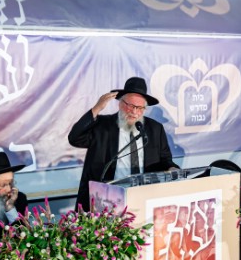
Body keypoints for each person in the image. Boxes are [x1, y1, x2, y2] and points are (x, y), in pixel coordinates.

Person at [68, 76, 178, 211]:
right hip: (107, 198)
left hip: (144, 196)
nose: (134, 112)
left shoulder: (155, 129)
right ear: (120, 104)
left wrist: (172, 168)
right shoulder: (102, 125)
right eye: (130, 106)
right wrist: (97, 108)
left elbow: (165, 160)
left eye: (140, 108)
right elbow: (74, 138)